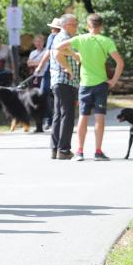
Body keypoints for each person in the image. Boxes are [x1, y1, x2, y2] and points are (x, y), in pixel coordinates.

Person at [55, 13, 124, 161]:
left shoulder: (81, 39)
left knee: (83, 118)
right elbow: (120, 62)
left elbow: (58, 47)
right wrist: (113, 80)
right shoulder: (106, 41)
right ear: (101, 26)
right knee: (100, 118)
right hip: (101, 84)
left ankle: (79, 152)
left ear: (88, 25)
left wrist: (74, 54)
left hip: (85, 85)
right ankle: (98, 152)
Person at [47, 15, 80, 159]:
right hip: (64, 80)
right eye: (74, 24)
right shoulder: (63, 37)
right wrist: (69, 69)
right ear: (66, 25)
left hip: (61, 81)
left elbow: (61, 52)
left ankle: (56, 148)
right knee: (67, 115)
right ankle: (64, 149)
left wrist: (72, 54)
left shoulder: (61, 37)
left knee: (59, 114)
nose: (76, 27)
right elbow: (58, 54)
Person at [31, 18, 63, 130]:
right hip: (63, 68)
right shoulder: (65, 37)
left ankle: (50, 120)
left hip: (51, 68)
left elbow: (48, 53)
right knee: (58, 95)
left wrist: (39, 67)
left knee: (44, 93)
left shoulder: (52, 36)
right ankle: (58, 120)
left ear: (53, 28)